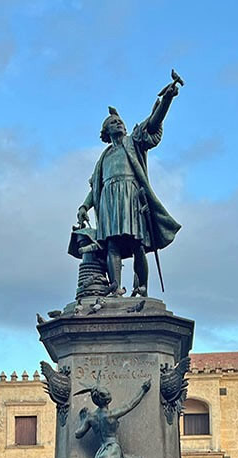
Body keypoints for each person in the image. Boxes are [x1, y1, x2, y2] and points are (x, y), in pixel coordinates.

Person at [76, 74, 182, 298]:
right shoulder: (104, 158)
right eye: (114, 122)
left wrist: (167, 100)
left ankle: (140, 287)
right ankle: (115, 287)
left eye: (120, 122)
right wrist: (85, 207)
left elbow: (153, 123)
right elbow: (96, 187)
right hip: (109, 201)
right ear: (106, 132)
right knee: (112, 244)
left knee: (137, 244)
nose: (119, 123)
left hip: (131, 195)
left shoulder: (133, 142)